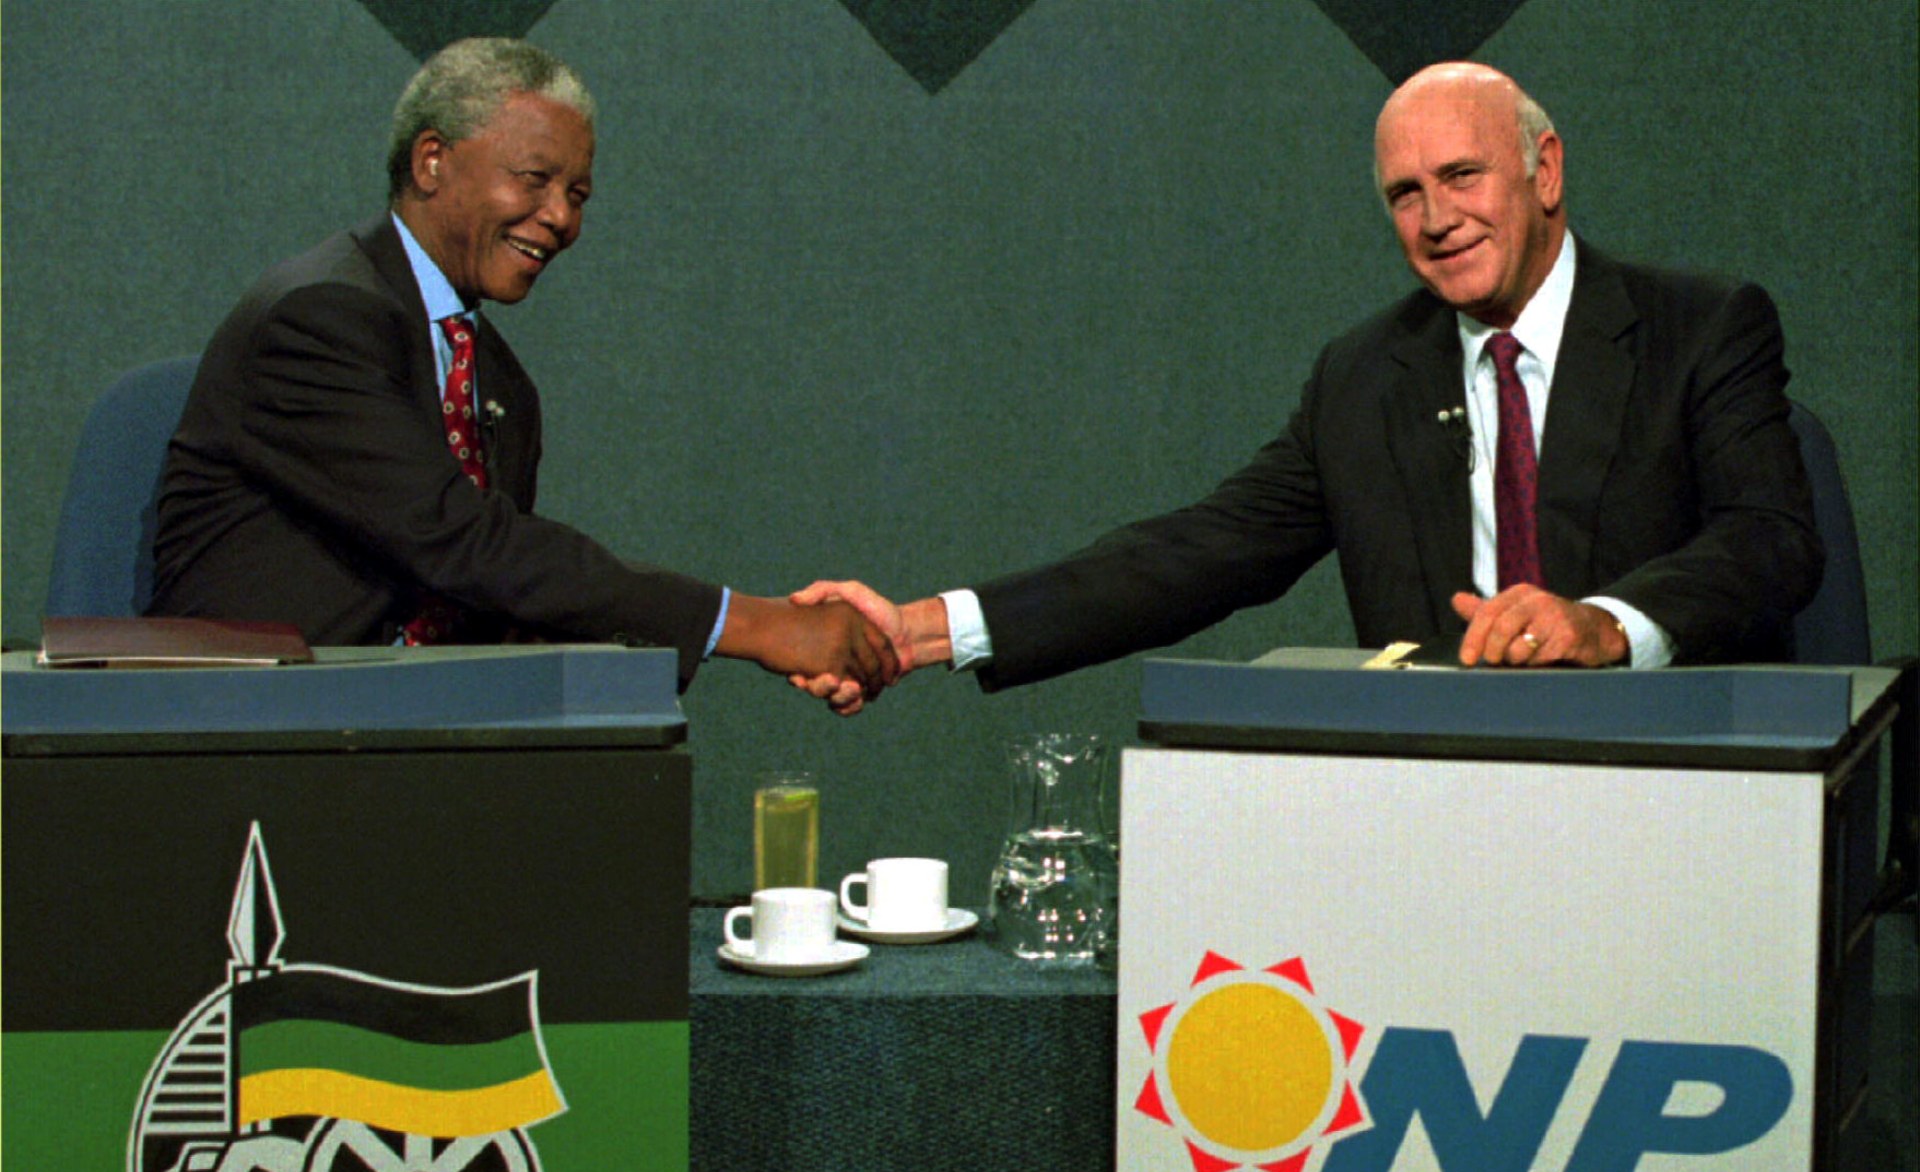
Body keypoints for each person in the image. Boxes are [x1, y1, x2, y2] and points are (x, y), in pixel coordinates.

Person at [793, 61, 1822, 710]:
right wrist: (923, 628)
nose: (1435, 218)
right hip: (1430, 807)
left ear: (1543, 170)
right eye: (1404, 195)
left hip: (1665, 788)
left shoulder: (1703, 325)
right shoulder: (1366, 377)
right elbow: (1194, 554)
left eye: (1462, 176)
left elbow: (1768, 538)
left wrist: (1604, 623)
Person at [148, 38, 892, 696]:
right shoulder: (319, 319)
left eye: (577, 195)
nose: (561, 218)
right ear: (432, 160)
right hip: (251, 746)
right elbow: (463, 546)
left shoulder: (501, 386)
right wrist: (753, 625)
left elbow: (495, 604)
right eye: (533, 180)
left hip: (422, 746)